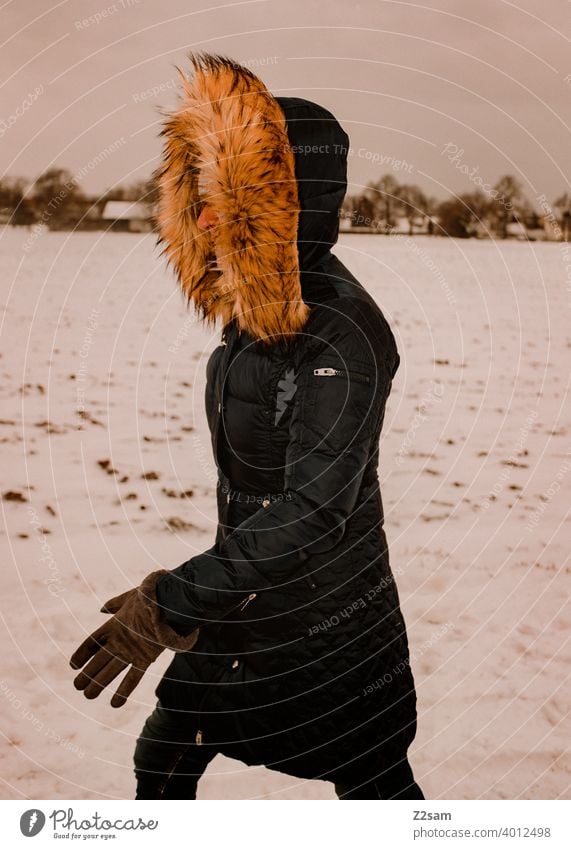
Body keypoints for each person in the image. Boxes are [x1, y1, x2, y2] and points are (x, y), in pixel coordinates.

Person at [69, 51, 424, 801]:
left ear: (285, 208)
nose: (201, 217)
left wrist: (172, 600)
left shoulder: (341, 335)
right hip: (239, 608)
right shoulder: (254, 320)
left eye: (225, 199)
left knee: (374, 783)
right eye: (197, 194)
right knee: (162, 758)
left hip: (327, 627)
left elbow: (313, 508)